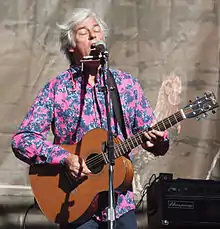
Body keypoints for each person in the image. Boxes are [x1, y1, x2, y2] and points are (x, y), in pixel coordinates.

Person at [11, 8, 169, 229]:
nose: (94, 36)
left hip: (119, 203)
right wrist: (64, 158)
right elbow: (22, 140)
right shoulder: (57, 89)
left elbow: (154, 137)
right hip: (75, 202)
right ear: (71, 45)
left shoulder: (125, 85)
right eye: (84, 32)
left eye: (97, 31)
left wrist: (158, 140)